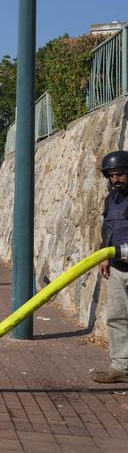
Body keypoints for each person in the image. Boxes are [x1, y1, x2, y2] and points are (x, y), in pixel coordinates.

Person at [96, 150, 128, 383]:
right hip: (118, 269)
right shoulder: (112, 199)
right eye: (111, 176)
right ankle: (121, 367)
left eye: (120, 175)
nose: (115, 180)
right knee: (117, 317)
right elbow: (107, 227)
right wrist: (104, 255)